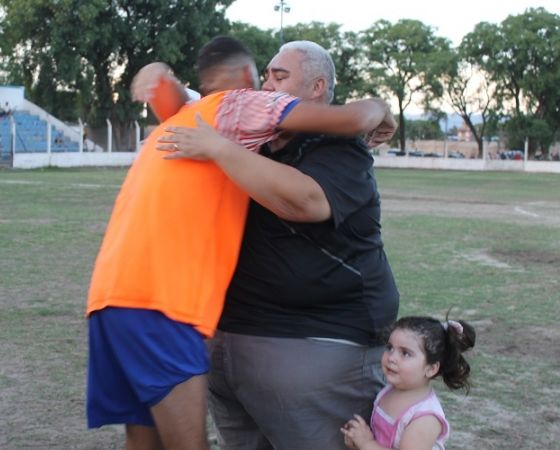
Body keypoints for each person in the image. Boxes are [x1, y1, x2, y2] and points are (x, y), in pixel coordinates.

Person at [86, 36, 393, 450]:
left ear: (317, 89)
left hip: (116, 301)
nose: (266, 86)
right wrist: (378, 108)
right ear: (247, 77)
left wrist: (162, 80)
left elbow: (307, 193)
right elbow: (353, 121)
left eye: (278, 76)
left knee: (147, 442)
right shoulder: (235, 111)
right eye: (263, 75)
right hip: (164, 309)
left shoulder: (221, 114)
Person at [341, 316, 475, 450]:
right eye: (390, 348)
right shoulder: (389, 390)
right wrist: (357, 443)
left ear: (430, 369)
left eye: (405, 353)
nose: (392, 358)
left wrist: (366, 443)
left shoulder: (425, 418)